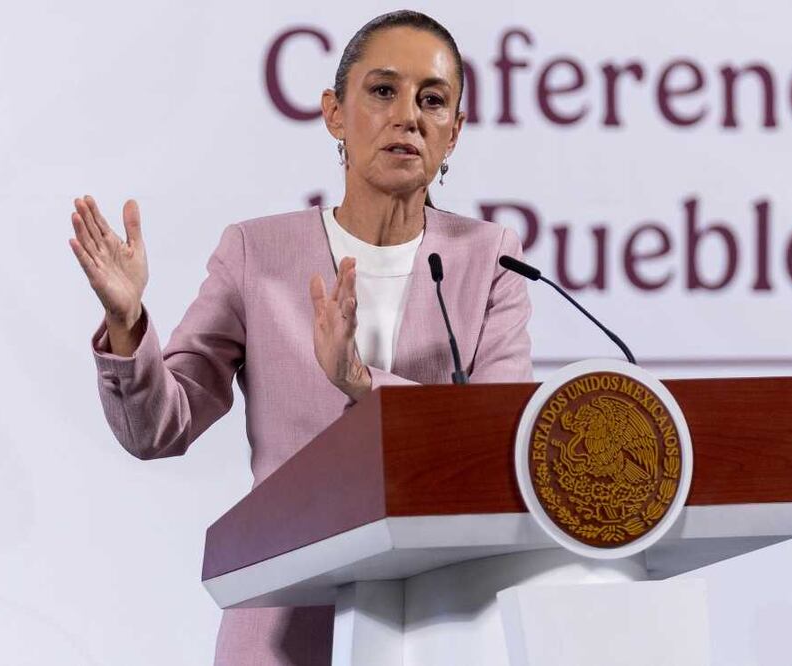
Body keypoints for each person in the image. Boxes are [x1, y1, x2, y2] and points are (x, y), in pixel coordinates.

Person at [68, 10, 533, 666]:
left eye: (432, 100)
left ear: (453, 132)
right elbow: (156, 429)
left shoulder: (489, 258)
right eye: (381, 91)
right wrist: (125, 323)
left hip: (436, 627)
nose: (408, 115)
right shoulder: (257, 252)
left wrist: (366, 384)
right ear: (334, 113)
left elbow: (498, 449)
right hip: (283, 624)